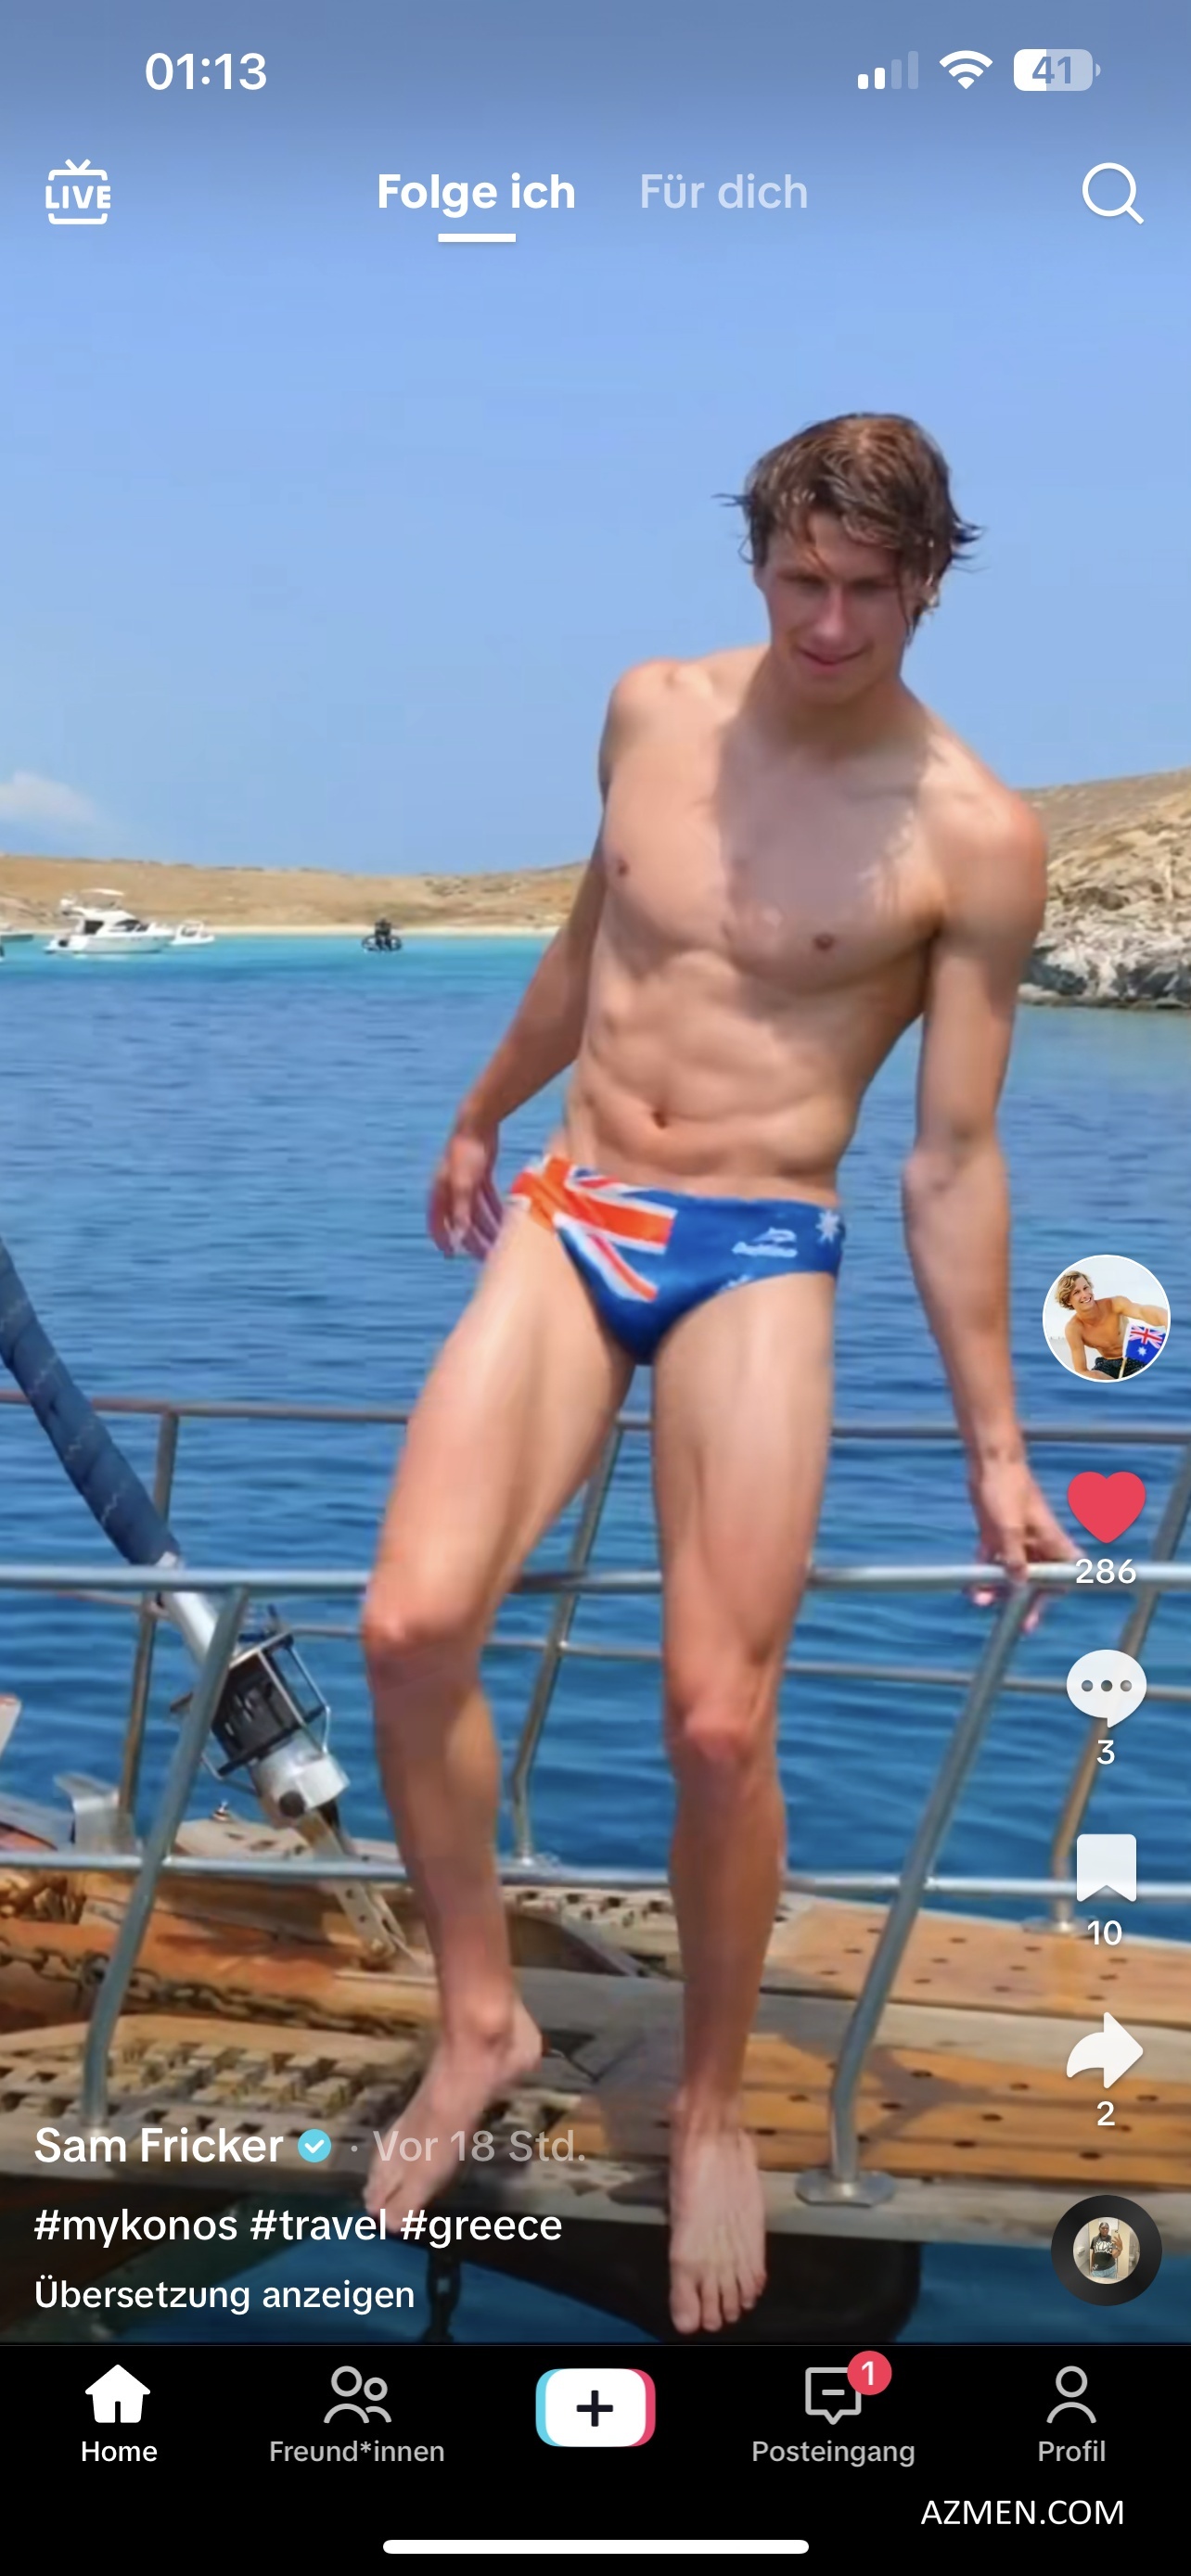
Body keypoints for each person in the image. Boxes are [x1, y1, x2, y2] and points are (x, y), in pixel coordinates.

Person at [362, 411, 1073, 2335]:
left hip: (759, 1245)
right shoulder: (650, 712)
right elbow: (594, 940)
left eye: (868, 591)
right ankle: (482, 2016)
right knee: (409, 1628)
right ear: (756, 562)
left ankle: (707, 2103)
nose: (828, 624)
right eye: (798, 580)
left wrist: (997, 1448)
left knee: (711, 1723)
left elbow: (950, 1159)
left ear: (926, 585)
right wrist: (479, 1108)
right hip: (578, 1204)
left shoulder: (972, 833)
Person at [1056, 1269, 1169, 1380]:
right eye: (1077, 1292)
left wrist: (1165, 1318)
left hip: (1135, 1356)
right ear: (1068, 1300)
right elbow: (1081, 1371)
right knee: (1092, 1376)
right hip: (1108, 1364)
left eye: (1086, 1288)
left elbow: (1142, 1312)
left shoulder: (1115, 1304)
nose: (1085, 1294)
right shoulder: (1073, 1329)